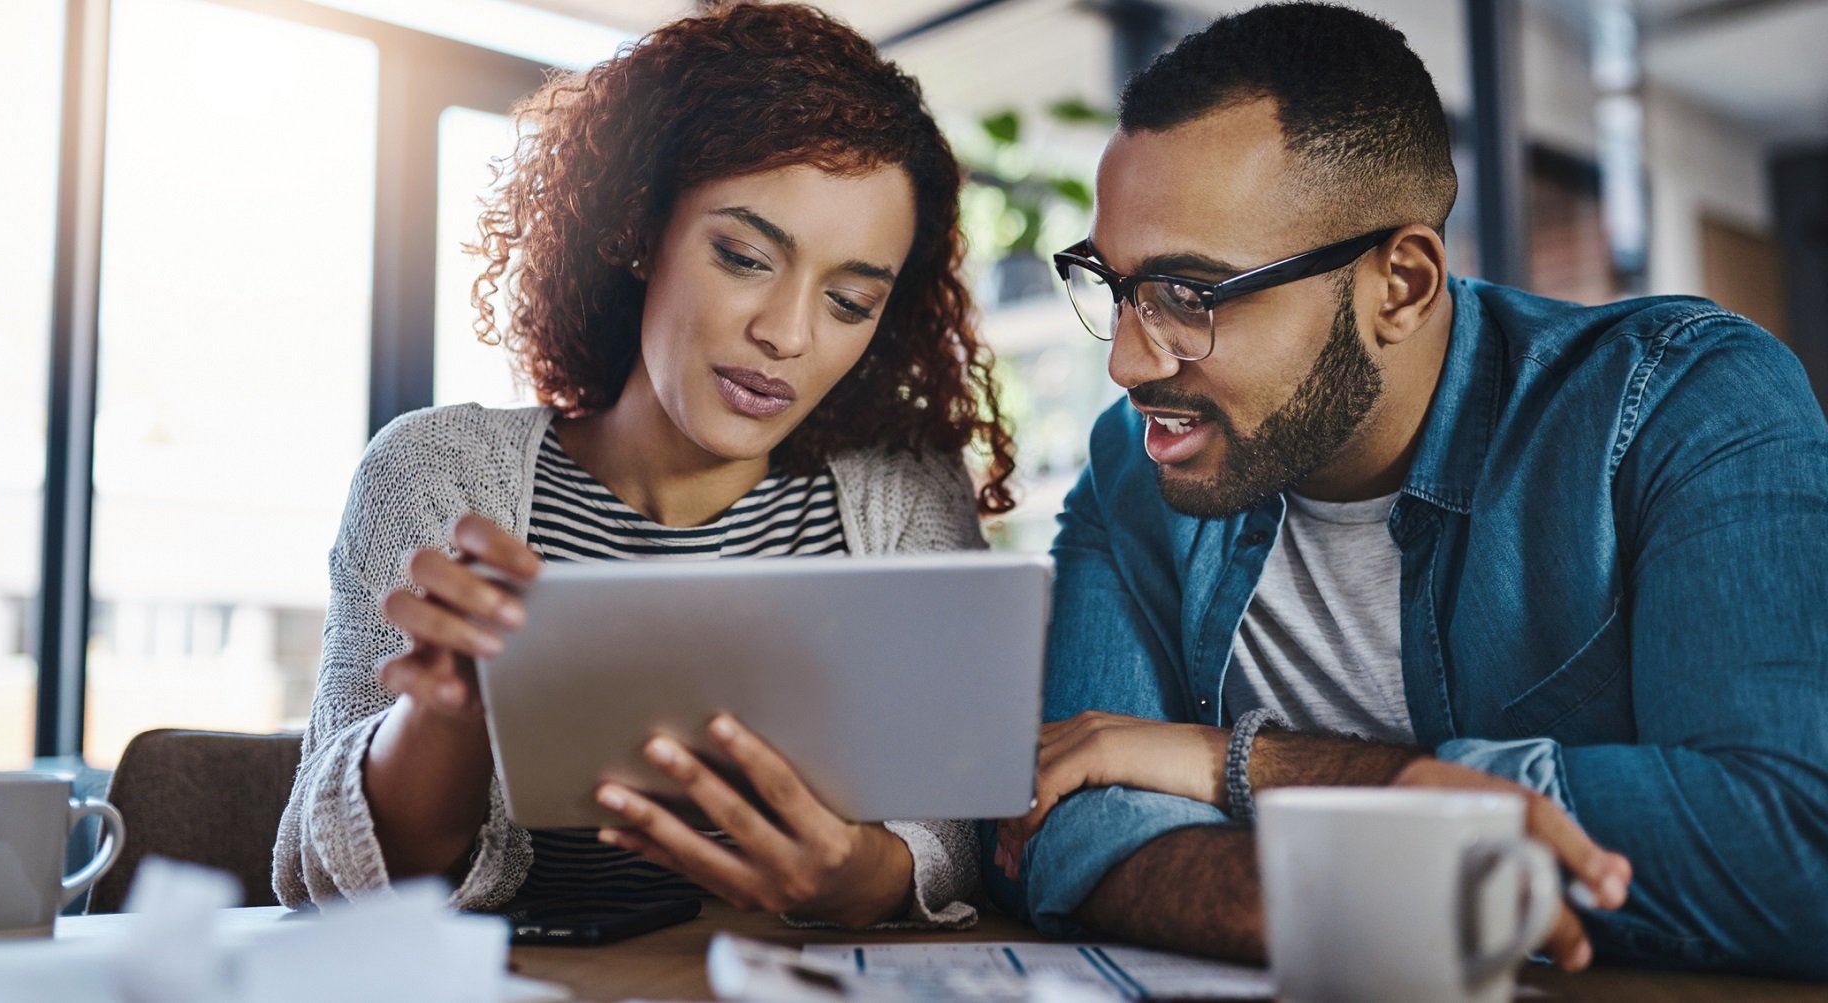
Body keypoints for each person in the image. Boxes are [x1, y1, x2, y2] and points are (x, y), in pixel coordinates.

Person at [987, 1, 1828, 979]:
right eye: (1116, 283)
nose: (1129, 362)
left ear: (1402, 284)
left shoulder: (1681, 402)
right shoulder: (1138, 464)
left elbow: (1790, 846)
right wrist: (1402, 872)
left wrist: (1249, 765)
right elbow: (1071, 822)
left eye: (1190, 294)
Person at [273, 1, 1016, 930]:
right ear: (636, 226)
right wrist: (447, 720)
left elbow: (952, 838)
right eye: (744, 256)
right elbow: (323, 871)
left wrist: (861, 875)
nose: (785, 334)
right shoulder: (438, 473)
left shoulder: (904, 497)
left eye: (851, 300)